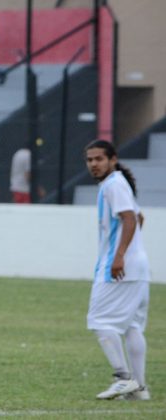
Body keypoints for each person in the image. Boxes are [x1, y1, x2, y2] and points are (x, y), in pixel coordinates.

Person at [83, 139, 151, 401]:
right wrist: (132, 250)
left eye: (99, 159)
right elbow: (139, 217)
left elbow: (130, 218)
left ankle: (123, 378)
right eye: (89, 160)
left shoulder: (113, 184)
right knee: (132, 326)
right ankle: (139, 390)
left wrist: (120, 254)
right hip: (138, 266)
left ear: (112, 159)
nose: (93, 164)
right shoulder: (117, 184)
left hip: (120, 266)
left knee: (99, 321)